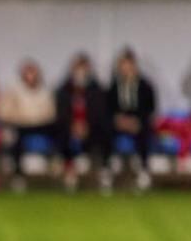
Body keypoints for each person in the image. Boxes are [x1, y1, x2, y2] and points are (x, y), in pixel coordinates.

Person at [0, 59, 56, 192]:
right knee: (15, 139)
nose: (31, 76)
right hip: (20, 125)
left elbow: (51, 112)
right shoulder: (13, 90)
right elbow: (2, 111)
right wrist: (16, 117)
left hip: (41, 125)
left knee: (59, 132)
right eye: (28, 73)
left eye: (33, 73)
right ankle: (18, 176)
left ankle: (57, 168)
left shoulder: (45, 91)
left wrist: (41, 118)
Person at [54, 53, 109, 193]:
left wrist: (86, 126)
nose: (80, 72)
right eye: (78, 68)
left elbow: (100, 113)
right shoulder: (63, 90)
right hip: (69, 128)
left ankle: (104, 172)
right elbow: (61, 113)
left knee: (106, 133)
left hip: (91, 128)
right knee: (61, 134)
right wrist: (73, 125)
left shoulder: (97, 89)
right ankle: (69, 172)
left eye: (83, 68)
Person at [106, 48, 157, 192]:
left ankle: (144, 170)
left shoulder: (146, 86)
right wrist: (119, 120)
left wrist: (136, 121)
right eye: (123, 65)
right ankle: (109, 167)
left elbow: (150, 108)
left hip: (138, 122)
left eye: (129, 65)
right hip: (118, 123)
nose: (126, 69)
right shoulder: (113, 86)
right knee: (105, 129)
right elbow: (108, 108)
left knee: (145, 132)